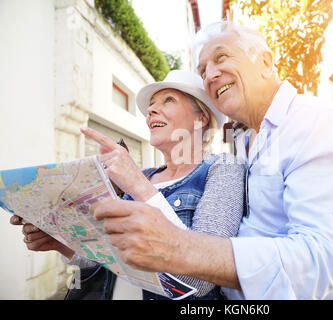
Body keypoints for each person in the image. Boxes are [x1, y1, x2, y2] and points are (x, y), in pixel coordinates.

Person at [88, 21, 333, 300]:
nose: (210, 75)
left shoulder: (314, 123)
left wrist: (176, 245)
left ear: (265, 62)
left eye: (221, 57)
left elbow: (316, 263)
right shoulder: (246, 143)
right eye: (202, 70)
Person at [10, 70, 246, 300]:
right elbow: (109, 259)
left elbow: (204, 276)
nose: (151, 110)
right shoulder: (143, 175)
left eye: (169, 100)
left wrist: (136, 184)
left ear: (200, 118)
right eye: (152, 104)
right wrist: (62, 243)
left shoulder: (224, 167)